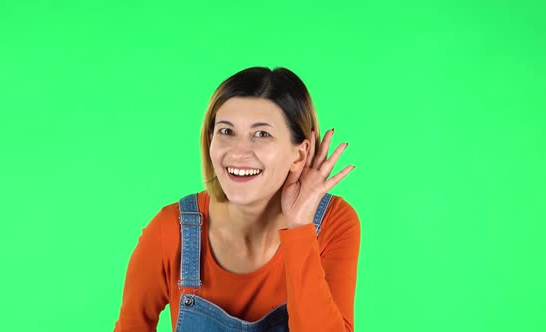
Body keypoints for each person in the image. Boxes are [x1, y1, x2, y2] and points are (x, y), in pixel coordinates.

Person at [113, 66, 361, 331]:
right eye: (226, 132)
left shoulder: (334, 223)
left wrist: (300, 228)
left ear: (299, 154)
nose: (238, 152)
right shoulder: (170, 230)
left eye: (262, 134)